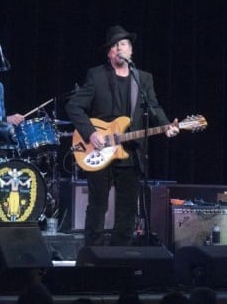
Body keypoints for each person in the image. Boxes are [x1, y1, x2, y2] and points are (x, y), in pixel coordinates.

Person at [65, 25, 179, 246]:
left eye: (124, 44)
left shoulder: (143, 79)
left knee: (127, 208)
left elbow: (153, 106)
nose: (119, 48)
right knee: (98, 205)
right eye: (115, 45)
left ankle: (119, 257)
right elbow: (74, 107)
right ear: (109, 53)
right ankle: (93, 254)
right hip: (98, 148)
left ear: (131, 50)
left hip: (131, 150)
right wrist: (91, 134)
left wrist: (167, 126)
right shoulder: (96, 75)